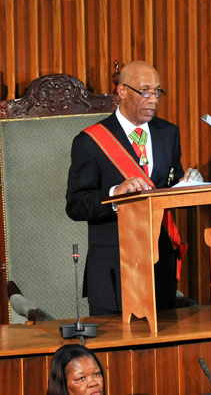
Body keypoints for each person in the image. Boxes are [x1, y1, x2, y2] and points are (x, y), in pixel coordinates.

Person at [66, 60, 203, 316]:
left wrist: (188, 184)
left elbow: (168, 188)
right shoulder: (90, 141)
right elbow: (75, 205)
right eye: (145, 91)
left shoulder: (168, 133)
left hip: (159, 266)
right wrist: (114, 195)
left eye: (157, 92)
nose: (153, 100)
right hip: (113, 270)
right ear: (122, 91)